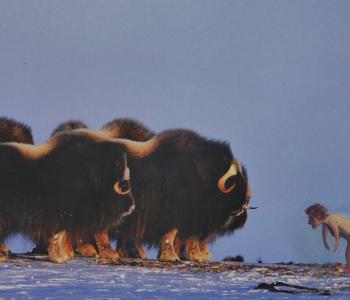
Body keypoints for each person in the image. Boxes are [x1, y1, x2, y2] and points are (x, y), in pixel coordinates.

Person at [305, 203, 350, 272]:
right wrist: (325, 242)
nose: (309, 222)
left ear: (319, 216)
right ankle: (348, 266)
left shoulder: (331, 220)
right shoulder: (326, 221)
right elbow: (324, 233)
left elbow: (336, 234)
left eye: (311, 218)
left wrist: (336, 245)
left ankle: (348, 268)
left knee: (348, 253)